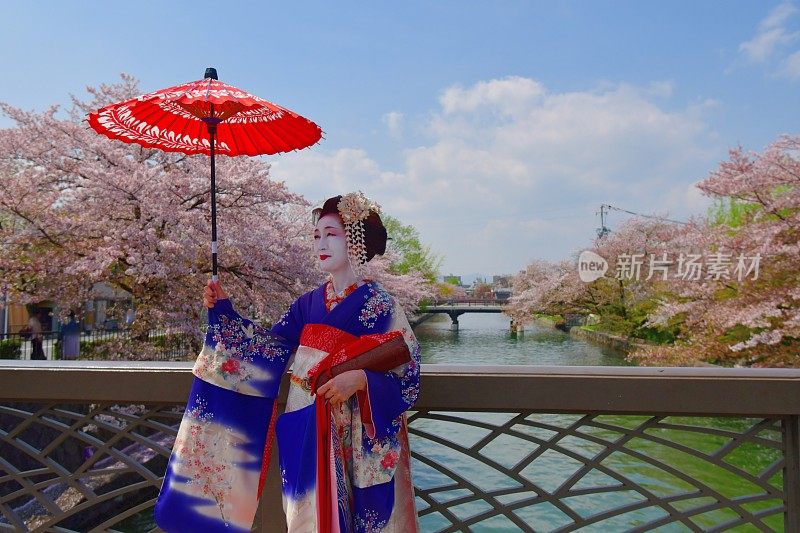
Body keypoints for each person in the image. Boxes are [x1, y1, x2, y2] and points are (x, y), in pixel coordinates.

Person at [155, 192, 421, 533]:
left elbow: (408, 370)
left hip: (354, 431)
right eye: (316, 236)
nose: (320, 244)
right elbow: (269, 347)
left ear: (355, 240)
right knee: (304, 515)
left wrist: (360, 379)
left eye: (331, 234)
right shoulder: (308, 303)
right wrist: (224, 311)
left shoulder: (380, 306)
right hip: (305, 416)